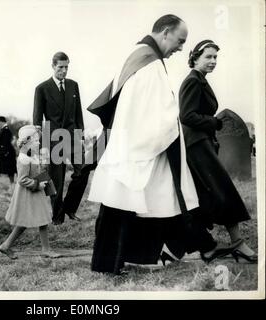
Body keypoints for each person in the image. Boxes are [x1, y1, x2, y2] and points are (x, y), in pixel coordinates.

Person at [87, 15, 239, 275]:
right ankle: (112, 263)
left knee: (134, 205)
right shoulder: (151, 65)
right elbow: (161, 114)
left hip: (130, 143)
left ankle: (119, 261)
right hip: (141, 147)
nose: (181, 48)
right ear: (166, 32)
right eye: (180, 41)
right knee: (150, 201)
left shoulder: (138, 53)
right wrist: (172, 127)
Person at [179, 40, 257, 263]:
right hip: (196, 145)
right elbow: (186, 115)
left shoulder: (200, 80)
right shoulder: (193, 81)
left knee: (208, 194)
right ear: (195, 57)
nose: (213, 61)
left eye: (215, 58)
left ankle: (209, 247)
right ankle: (237, 244)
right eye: (208, 57)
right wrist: (214, 122)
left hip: (201, 143)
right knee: (223, 189)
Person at [33, 51, 88, 224]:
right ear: (53, 66)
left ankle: (69, 208)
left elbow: (78, 112)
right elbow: (37, 119)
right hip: (53, 138)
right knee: (56, 179)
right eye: (60, 67)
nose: (64, 71)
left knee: (82, 170)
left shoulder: (73, 85)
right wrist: (41, 144)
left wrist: (80, 134)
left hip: (72, 137)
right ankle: (57, 217)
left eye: (66, 67)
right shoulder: (42, 88)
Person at [0, 125, 60, 259]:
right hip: (29, 193)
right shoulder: (24, 159)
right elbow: (22, 179)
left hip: (36, 192)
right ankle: (7, 246)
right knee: (27, 221)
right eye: (36, 140)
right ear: (27, 141)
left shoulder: (32, 155)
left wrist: (44, 169)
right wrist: (37, 185)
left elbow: (39, 171)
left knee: (39, 220)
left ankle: (8, 246)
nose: (38, 142)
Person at [0, 116, 17, 184]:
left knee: (10, 169)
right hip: (5, 152)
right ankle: (12, 183)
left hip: (8, 152)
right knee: (8, 169)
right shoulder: (3, 129)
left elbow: (6, 142)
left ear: (2, 122)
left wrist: (4, 152)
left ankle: (12, 183)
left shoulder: (6, 130)